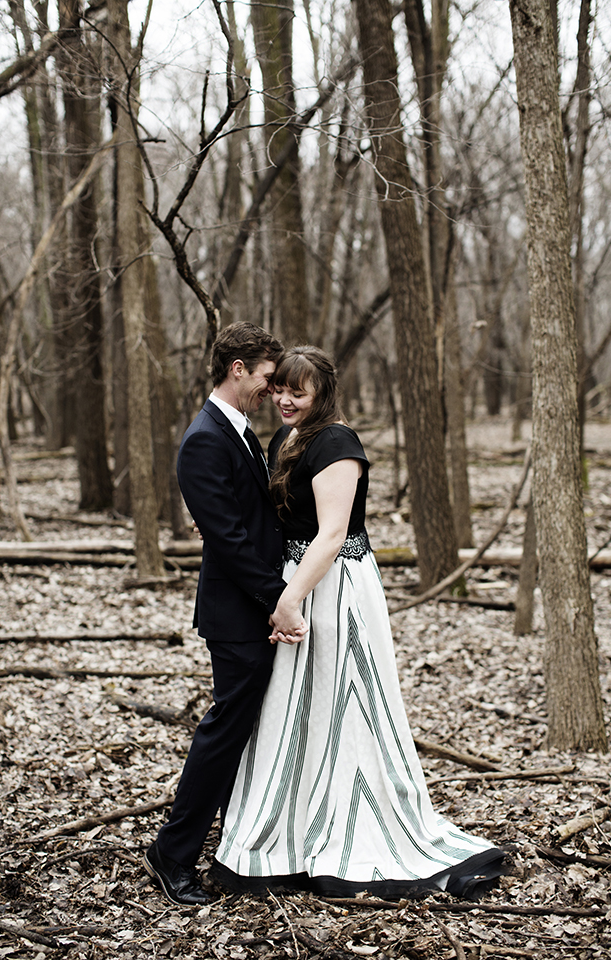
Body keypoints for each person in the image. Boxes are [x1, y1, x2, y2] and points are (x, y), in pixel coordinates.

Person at [211, 345, 505, 899]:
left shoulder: (338, 444)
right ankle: (294, 827)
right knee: (294, 703)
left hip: (335, 584)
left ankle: (352, 823)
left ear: (323, 391)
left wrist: (289, 601)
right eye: (280, 388)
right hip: (294, 581)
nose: (285, 399)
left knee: (343, 701)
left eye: (299, 390)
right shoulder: (284, 439)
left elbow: (332, 535)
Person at [144, 323, 307, 906]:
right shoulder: (205, 439)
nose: (272, 388)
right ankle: (173, 852)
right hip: (238, 616)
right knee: (223, 733)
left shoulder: (239, 434)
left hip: (251, 607)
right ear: (238, 368)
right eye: (267, 376)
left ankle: (235, 842)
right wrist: (280, 600)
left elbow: (242, 518)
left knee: (239, 732)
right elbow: (232, 541)